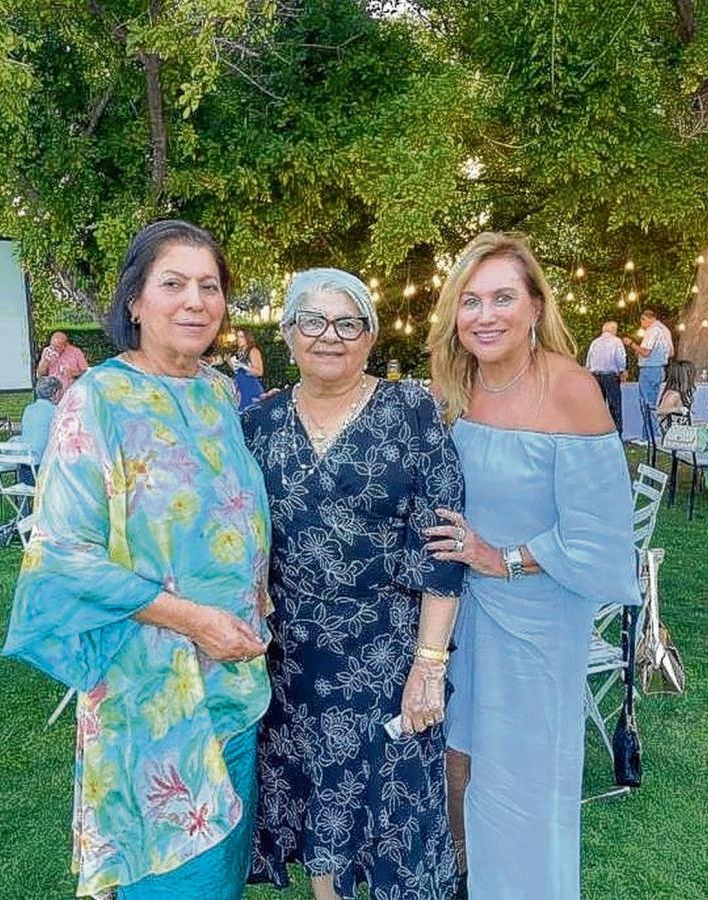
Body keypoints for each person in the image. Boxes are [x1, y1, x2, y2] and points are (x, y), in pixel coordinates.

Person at [3, 220, 273, 900]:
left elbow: (231, 514)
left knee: (220, 875)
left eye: (209, 286)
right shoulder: (96, 399)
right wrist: (193, 620)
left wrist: (253, 596)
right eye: (173, 283)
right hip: (149, 694)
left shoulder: (217, 392)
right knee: (171, 877)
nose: (195, 302)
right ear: (135, 300)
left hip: (234, 685)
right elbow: (62, 555)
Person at [425, 232, 640, 900]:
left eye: (502, 298)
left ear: (535, 306)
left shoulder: (569, 387)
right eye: (470, 300)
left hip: (536, 619)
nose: (484, 315)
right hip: (460, 616)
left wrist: (504, 558)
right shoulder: (455, 383)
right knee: (456, 765)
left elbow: (602, 534)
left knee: (521, 780)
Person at [243, 268, 466, 900]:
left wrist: (429, 665)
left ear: (370, 336)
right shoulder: (256, 424)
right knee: (320, 799)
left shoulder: (411, 413)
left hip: (389, 656)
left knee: (396, 810)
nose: (330, 336)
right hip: (292, 658)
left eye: (348, 323)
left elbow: (441, 549)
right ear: (288, 333)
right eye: (313, 320)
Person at [623, 309, 673, 439]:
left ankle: (650, 436)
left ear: (649, 318)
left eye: (642, 320)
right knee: (653, 403)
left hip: (649, 370)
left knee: (647, 403)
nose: (641, 323)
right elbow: (671, 352)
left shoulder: (653, 330)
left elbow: (646, 352)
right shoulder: (665, 330)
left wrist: (632, 344)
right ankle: (651, 435)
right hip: (659, 369)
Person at [15, 375, 61, 487]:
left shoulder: (28, 409)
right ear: (55, 393)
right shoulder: (56, 411)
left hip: (24, 470)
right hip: (44, 471)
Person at [585, 321, 626, 436]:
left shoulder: (595, 342)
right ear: (613, 329)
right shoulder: (616, 341)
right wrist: (622, 370)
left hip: (595, 376)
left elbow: (589, 360)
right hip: (610, 376)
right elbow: (620, 358)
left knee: (598, 406)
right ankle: (616, 434)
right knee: (615, 406)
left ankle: (598, 433)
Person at [36, 330, 89, 401]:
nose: (54, 349)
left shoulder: (76, 352)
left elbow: (86, 373)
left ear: (65, 345)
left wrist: (74, 373)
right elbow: (40, 375)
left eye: (57, 347)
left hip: (71, 393)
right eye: (52, 345)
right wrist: (45, 361)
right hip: (53, 394)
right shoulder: (47, 351)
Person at [230, 328, 265, 410]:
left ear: (247, 338)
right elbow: (238, 371)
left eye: (241, 337)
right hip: (240, 387)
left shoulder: (253, 351)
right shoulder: (239, 352)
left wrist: (244, 366)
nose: (238, 339)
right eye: (237, 337)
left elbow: (259, 372)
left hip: (250, 387)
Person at [657, 359, 695, 431]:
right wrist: (677, 410)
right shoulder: (674, 394)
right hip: (675, 434)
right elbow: (660, 410)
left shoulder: (678, 393)